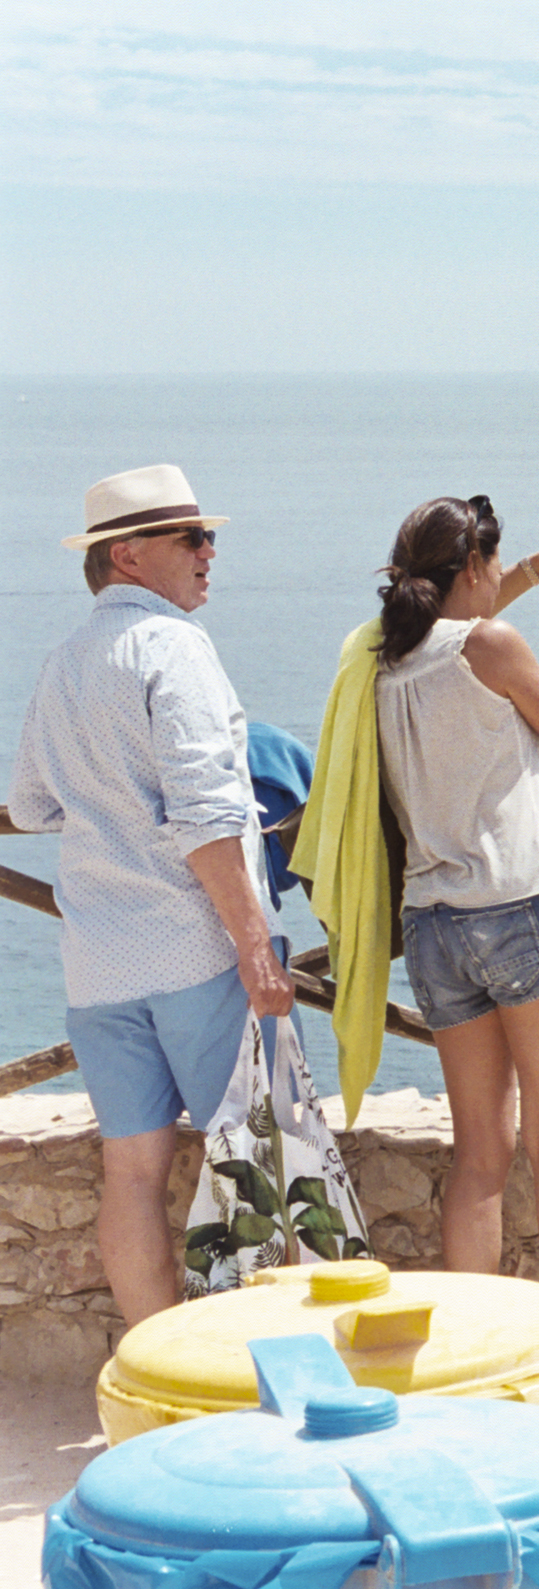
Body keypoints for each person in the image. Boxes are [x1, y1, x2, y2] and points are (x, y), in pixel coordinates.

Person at [8, 466, 292, 1323]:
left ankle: (154, 1368)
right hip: (197, 950)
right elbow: (206, 813)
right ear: (127, 555)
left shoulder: (62, 663)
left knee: (130, 1174)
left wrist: (107, 800)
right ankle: (246, 1371)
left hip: (99, 961)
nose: (211, 551)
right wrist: (251, 945)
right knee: (248, 1160)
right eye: (192, 538)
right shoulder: (174, 648)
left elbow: (28, 805)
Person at [370, 495, 539, 1315]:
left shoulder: (385, 658)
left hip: (434, 926)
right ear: (474, 569)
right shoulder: (492, 645)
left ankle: (476, 1357)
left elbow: (463, 625)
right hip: (521, 904)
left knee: (480, 1154)